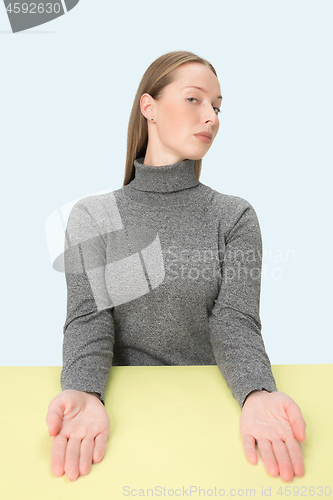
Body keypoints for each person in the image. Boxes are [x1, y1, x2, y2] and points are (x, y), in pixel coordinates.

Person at [46, 51, 306, 482]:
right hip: (120, 414)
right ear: (149, 107)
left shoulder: (234, 216)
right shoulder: (93, 216)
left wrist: (258, 392)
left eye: (217, 107)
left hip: (214, 412)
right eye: (194, 100)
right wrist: (85, 391)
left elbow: (236, 321)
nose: (212, 117)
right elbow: (89, 319)